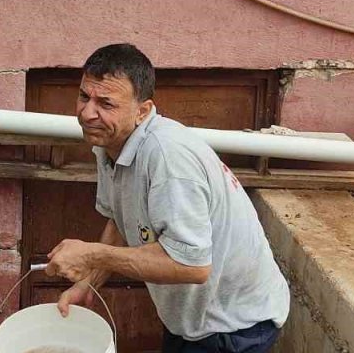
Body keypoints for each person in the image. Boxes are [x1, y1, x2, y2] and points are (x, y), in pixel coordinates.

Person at [46, 44, 291, 353]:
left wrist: (93, 255)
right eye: (84, 96)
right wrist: (89, 282)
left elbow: (193, 267)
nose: (87, 113)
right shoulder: (109, 141)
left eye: (106, 103)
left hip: (233, 326)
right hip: (191, 320)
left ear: (143, 111)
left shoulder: (168, 158)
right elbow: (122, 218)